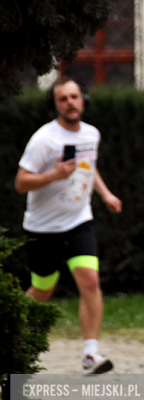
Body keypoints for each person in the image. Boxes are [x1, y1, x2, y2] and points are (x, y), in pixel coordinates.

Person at [15, 77, 122, 374]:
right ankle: (11, 337)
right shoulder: (44, 140)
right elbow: (21, 182)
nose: (71, 103)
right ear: (55, 105)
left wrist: (106, 194)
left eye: (75, 97)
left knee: (90, 280)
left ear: (83, 99)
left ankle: (91, 355)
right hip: (43, 227)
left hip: (78, 220)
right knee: (42, 289)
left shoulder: (91, 134)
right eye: (63, 99)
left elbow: (89, 165)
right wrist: (54, 175)